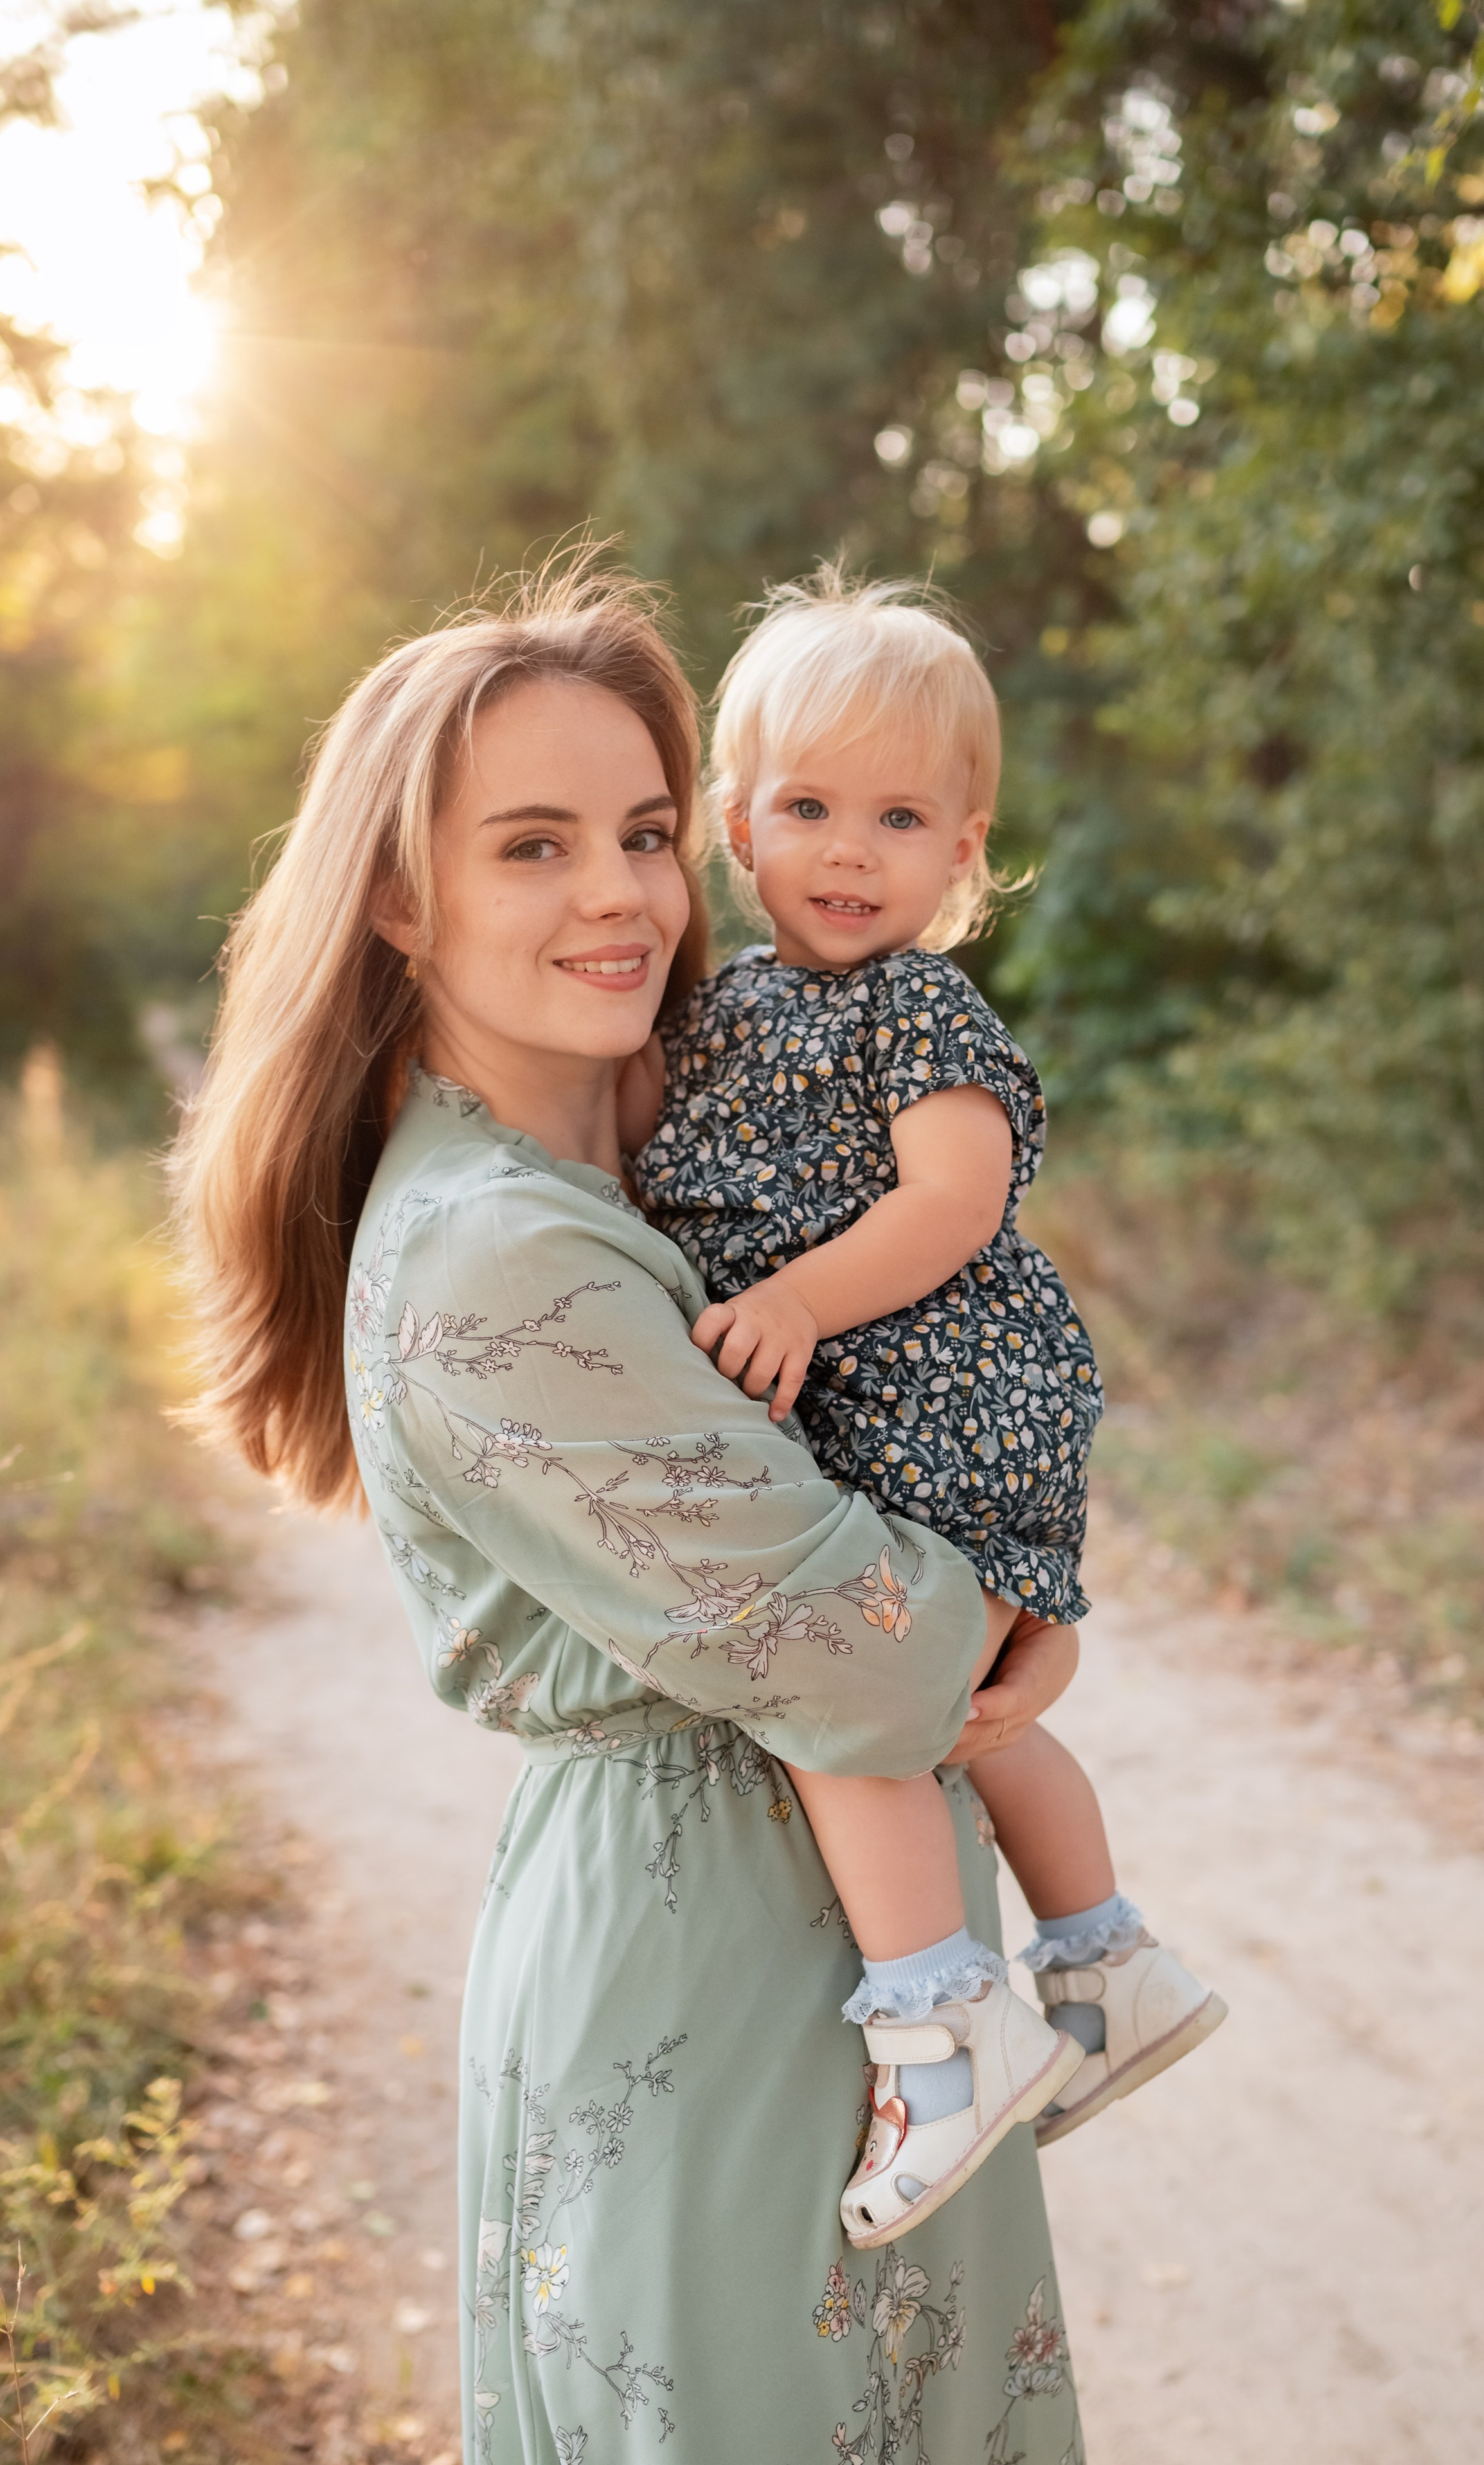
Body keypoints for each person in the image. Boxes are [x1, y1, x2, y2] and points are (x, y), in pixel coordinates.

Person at [170, 562, 1087, 2463]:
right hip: (718, 1977)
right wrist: (1014, 1610)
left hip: (837, 1956)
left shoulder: (649, 1170)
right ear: (403, 897)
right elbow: (875, 1654)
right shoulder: (502, 1256)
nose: (621, 893)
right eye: (532, 844)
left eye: (649, 832)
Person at [627, 571, 1225, 2247]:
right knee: (980, 1714)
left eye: (900, 816)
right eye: (809, 805)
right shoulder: (730, 1008)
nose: (848, 849)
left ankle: (943, 2024)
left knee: (853, 1689)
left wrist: (802, 1299)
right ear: (736, 821)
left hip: (945, 1392)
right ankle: (1111, 1961)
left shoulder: (917, 1007)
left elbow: (956, 1202)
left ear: (964, 847)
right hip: (872, 1401)